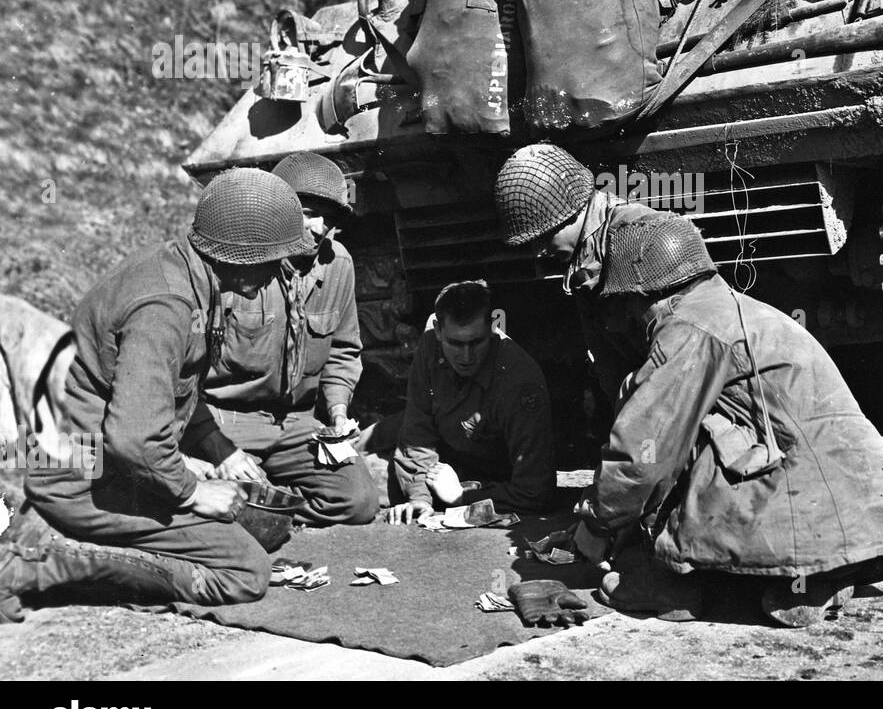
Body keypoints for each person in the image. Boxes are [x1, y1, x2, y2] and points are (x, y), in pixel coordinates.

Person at [557, 211, 883, 627]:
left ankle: (671, 581)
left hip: (811, 493)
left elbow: (644, 451)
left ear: (641, 294)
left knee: (680, 435)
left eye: (626, 303)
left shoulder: (685, 328)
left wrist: (598, 521)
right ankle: (816, 573)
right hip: (872, 516)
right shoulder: (727, 306)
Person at [0, 169, 315, 622]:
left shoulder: (182, 271)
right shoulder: (167, 306)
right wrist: (190, 492)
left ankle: (47, 529)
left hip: (84, 461)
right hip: (84, 477)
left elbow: (165, 395)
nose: (277, 274)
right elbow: (134, 439)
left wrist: (202, 453)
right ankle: (38, 562)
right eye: (274, 260)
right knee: (244, 570)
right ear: (245, 261)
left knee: (249, 528)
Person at [199, 152, 377, 527]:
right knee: (219, 505)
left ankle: (272, 505)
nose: (320, 228)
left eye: (329, 218)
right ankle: (261, 503)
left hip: (297, 423)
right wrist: (213, 445)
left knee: (358, 502)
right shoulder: (238, 261)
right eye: (309, 212)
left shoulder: (338, 264)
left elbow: (344, 350)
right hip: (229, 420)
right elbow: (184, 370)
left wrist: (338, 412)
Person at [494, 143, 657, 415]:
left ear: (572, 210)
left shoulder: (634, 235)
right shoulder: (583, 258)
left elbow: (679, 356)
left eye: (545, 236)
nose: (539, 251)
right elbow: (611, 365)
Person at [388, 280, 555, 523]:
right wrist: (419, 498)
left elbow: (535, 490)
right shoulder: (429, 346)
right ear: (437, 331)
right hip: (437, 453)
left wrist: (461, 497)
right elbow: (417, 432)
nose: (466, 357)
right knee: (357, 460)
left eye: (476, 342)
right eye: (455, 343)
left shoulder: (519, 380)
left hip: (480, 476)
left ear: (492, 328)